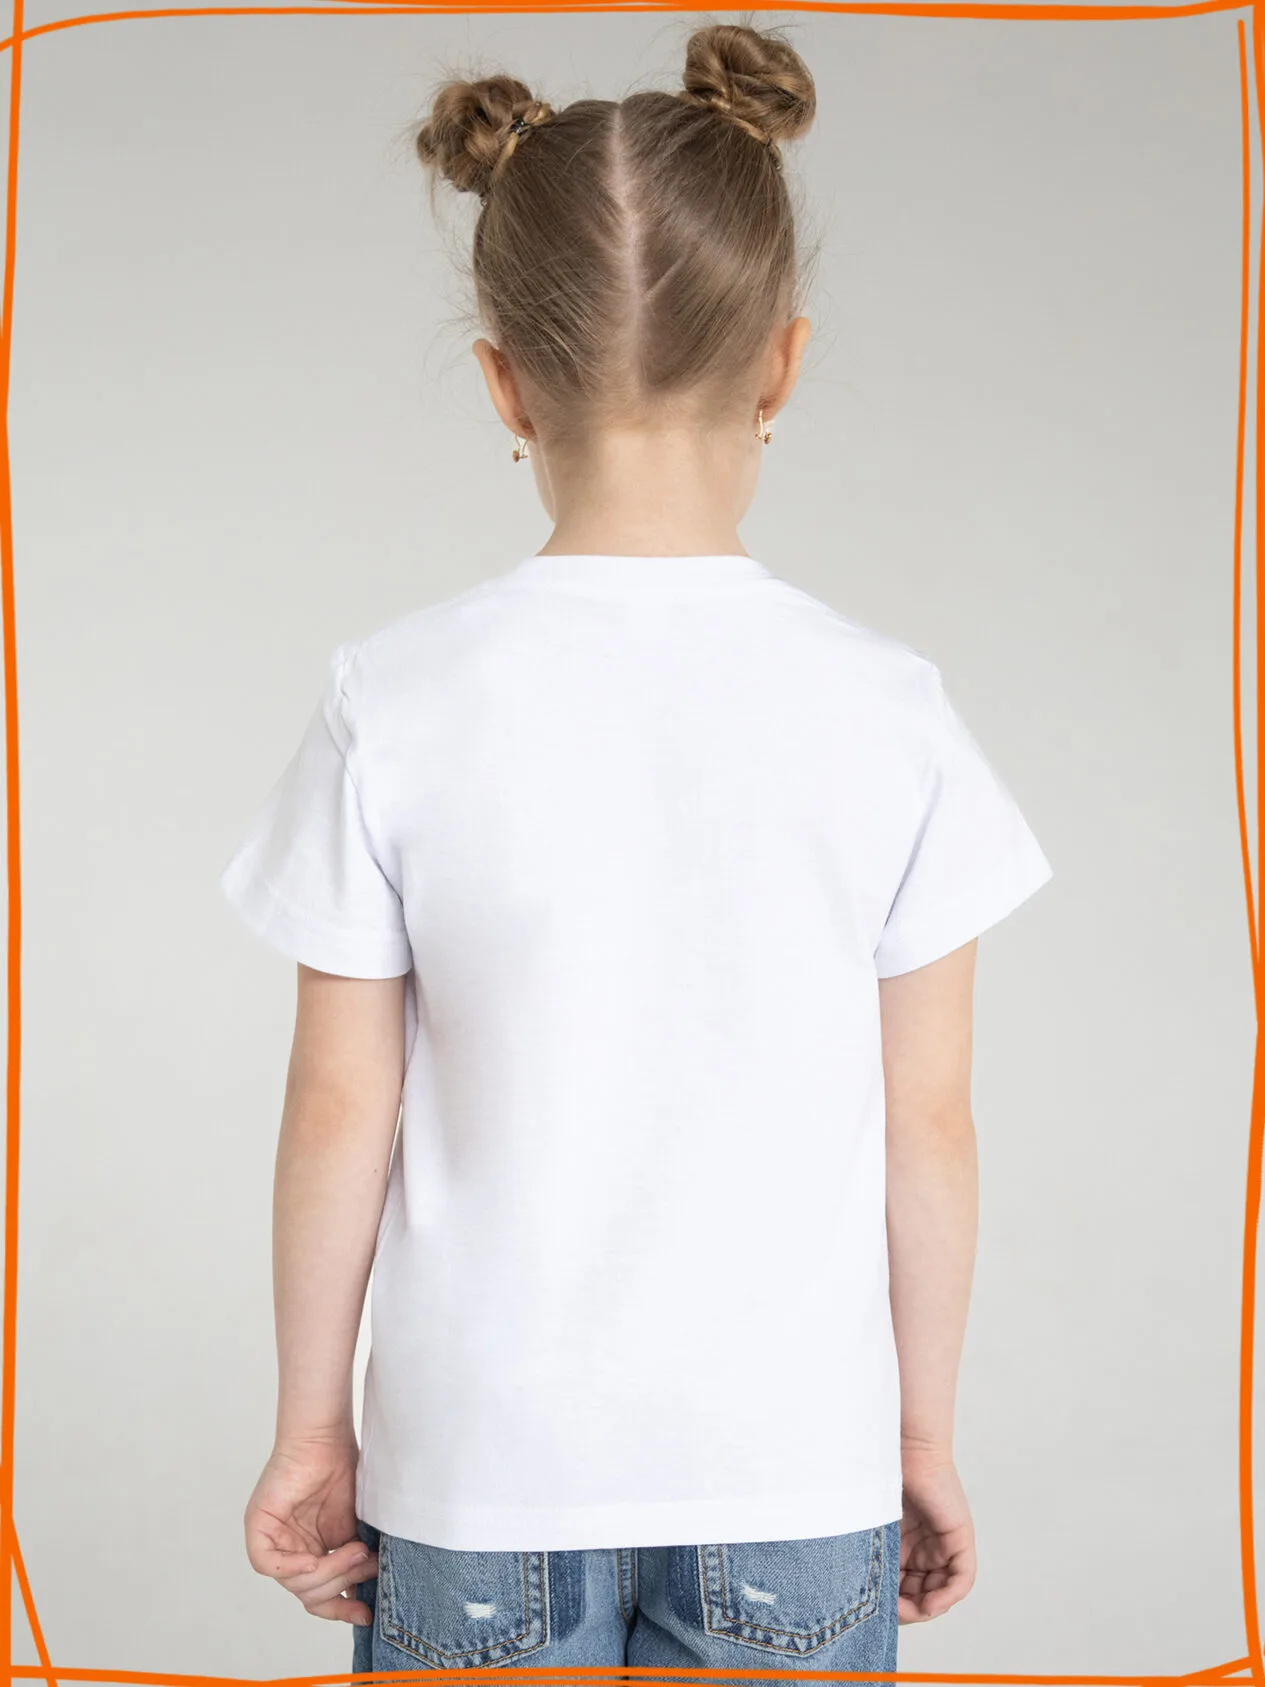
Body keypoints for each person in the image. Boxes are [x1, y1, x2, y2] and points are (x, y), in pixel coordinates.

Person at [219, 20, 1054, 1681]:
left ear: (504, 383)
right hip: (794, 1467)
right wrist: (918, 1430)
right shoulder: (890, 707)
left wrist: (314, 1426)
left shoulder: (394, 696)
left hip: (477, 1475)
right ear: (782, 365)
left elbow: (337, 1108)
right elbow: (930, 1122)